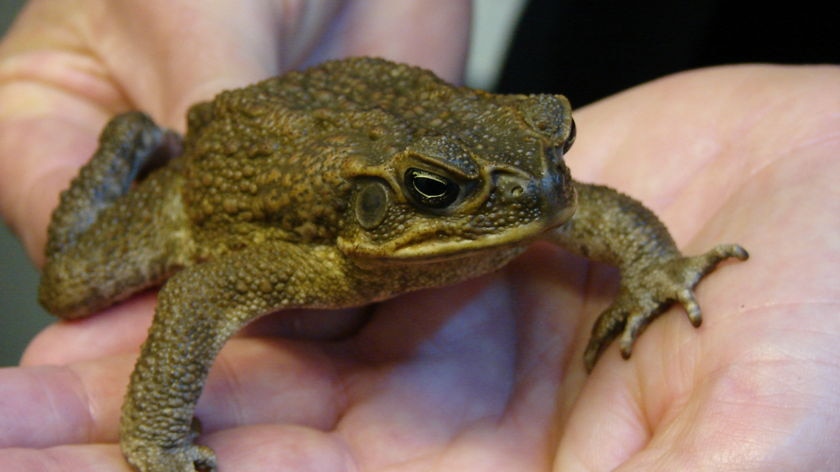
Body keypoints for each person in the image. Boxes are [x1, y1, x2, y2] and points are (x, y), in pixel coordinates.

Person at [1, 1, 837, 470]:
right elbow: (199, 291)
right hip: (227, 174)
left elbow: (583, 205)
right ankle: (133, 144)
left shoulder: (523, 191)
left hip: (410, 126)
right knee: (70, 281)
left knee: (516, 186)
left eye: (557, 151)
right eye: (438, 195)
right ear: (394, 203)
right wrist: (157, 437)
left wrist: (656, 270)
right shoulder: (314, 253)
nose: (543, 191)